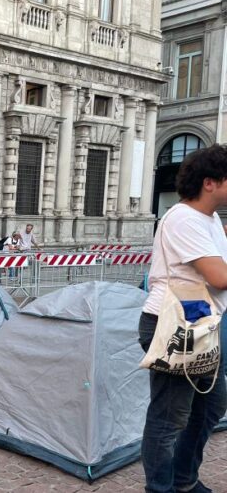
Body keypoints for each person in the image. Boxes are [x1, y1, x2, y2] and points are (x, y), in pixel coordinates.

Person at [138, 145, 227, 493]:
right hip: (172, 324)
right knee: (168, 417)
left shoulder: (211, 218)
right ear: (210, 182)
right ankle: (161, 488)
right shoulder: (181, 218)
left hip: (206, 324)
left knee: (210, 407)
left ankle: (184, 480)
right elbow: (219, 276)